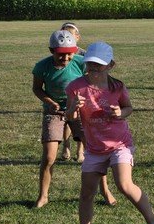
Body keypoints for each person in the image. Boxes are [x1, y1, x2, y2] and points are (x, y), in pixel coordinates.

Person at [65, 42, 154, 224]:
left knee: (124, 184)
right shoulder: (76, 87)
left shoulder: (117, 87)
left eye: (99, 65)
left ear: (110, 65)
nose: (93, 68)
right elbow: (70, 117)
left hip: (120, 144)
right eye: (90, 64)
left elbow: (128, 108)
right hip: (94, 148)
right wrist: (74, 107)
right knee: (86, 193)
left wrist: (120, 113)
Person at [32, 31, 116, 208]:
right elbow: (37, 89)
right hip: (54, 112)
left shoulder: (79, 63)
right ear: (51, 50)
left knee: (95, 152)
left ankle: (105, 190)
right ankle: (43, 195)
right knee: (49, 157)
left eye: (70, 53)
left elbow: (94, 78)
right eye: (61, 53)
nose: (66, 57)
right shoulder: (42, 67)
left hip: (79, 110)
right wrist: (50, 101)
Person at [58, 22, 85, 162]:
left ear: (77, 37)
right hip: (62, 95)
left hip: (79, 96)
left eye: (71, 36)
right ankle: (66, 146)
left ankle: (80, 151)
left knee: (81, 123)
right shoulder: (59, 53)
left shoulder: (83, 55)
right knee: (66, 121)